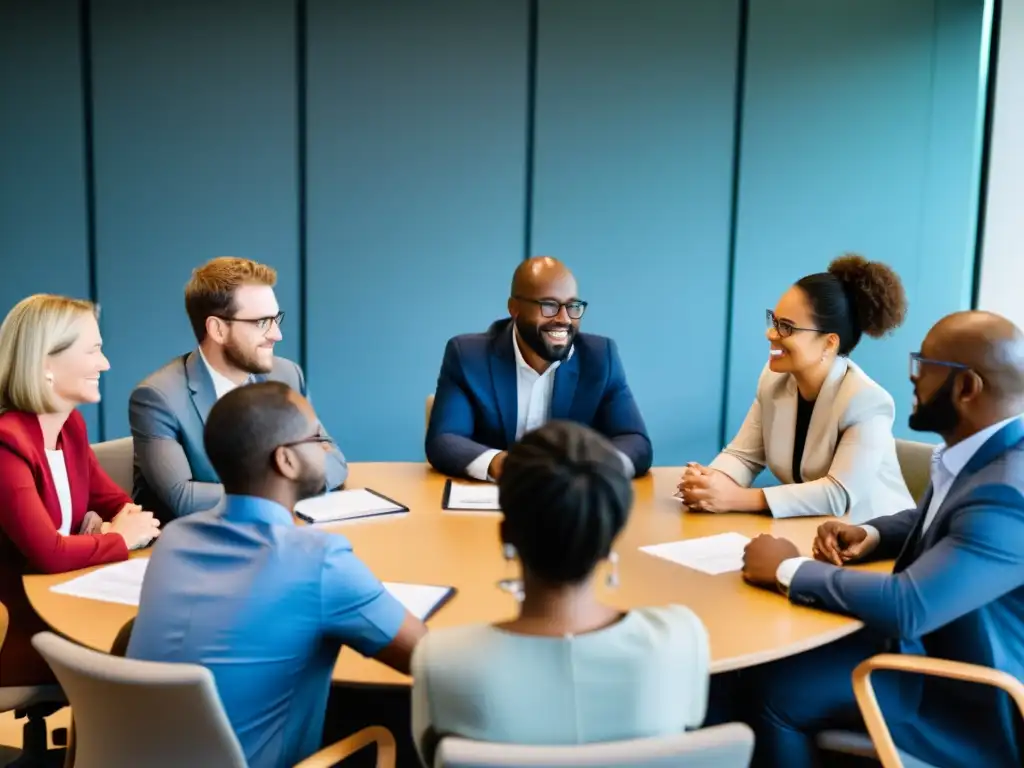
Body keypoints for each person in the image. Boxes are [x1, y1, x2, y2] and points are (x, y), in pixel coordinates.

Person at [740, 310, 1024, 768]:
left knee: (774, 693)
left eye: (924, 366)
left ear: (967, 387)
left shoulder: (1008, 494)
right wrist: (872, 534)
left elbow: (908, 607)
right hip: (933, 653)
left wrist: (786, 569)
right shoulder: (986, 453)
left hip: (966, 702)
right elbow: (938, 519)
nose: (912, 378)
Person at [127, 381, 426, 768]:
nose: (326, 448)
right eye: (317, 437)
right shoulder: (320, 561)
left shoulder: (174, 540)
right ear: (285, 460)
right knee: (407, 711)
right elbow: (427, 659)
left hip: (143, 752)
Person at [412, 421, 708, 765]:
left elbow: (427, 756)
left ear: (506, 535)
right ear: (612, 535)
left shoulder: (440, 659)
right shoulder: (681, 638)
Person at [0, 295, 160, 686]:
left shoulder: (70, 426)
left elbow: (120, 505)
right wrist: (118, 536)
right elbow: (50, 553)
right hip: (20, 626)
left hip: (64, 598)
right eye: (94, 350)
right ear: (47, 365)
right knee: (145, 650)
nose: (104, 364)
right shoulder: (6, 445)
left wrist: (115, 528)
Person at [680, 254, 912, 521]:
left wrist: (736, 498)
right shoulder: (774, 379)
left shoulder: (867, 401)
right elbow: (744, 456)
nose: (771, 334)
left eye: (786, 327)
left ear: (829, 343)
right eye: (774, 321)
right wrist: (708, 482)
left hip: (873, 539)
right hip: (811, 531)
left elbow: (837, 494)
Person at [130, 257, 347, 522]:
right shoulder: (158, 397)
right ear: (218, 329)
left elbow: (333, 460)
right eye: (261, 322)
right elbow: (183, 498)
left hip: (283, 530)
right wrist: (283, 492)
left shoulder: (287, 375)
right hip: (201, 545)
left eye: (276, 318)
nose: (276, 334)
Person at [426, 256, 652, 481]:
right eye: (549, 305)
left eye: (573, 306)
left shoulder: (601, 357)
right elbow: (445, 439)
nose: (564, 319)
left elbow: (635, 441)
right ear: (514, 309)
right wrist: (502, 465)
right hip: (493, 502)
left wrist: (589, 469)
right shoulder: (468, 356)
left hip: (571, 503)